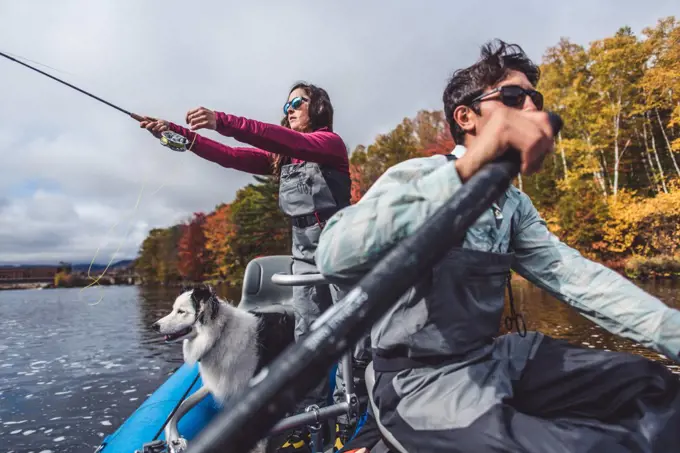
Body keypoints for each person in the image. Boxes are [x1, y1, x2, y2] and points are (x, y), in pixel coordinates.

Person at [315, 39, 680, 453]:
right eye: (512, 97)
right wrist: (471, 170)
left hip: (496, 358)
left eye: (534, 99)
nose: (531, 108)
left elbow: (580, 280)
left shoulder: (514, 205)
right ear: (466, 117)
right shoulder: (417, 175)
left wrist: (674, 334)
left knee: (657, 388)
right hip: (419, 383)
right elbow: (333, 256)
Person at [139, 82, 365, 452]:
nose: (289, 108)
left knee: (350, 337)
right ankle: (311, 415)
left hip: (340, 248)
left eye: (298, 102)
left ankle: (348, 419)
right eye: (286, 104)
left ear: (318, 107)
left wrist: (221, 119)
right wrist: (174, 133)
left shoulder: (329, 143)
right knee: (308, 340)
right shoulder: (281, 158)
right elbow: (228, 156)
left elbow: (280, 138)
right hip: (303, 253)